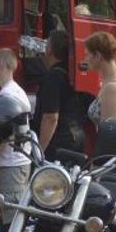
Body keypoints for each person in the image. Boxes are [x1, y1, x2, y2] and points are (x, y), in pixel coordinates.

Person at [0, 48, 32, 226]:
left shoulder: (8, 95)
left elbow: (6, 133)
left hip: (12, 163)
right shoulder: (15, 91)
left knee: (12, 217)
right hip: (17, 162)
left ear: (1, 65)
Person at [36, 29, 88, 161]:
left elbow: (50, 117)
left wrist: (40, 151)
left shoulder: (53, 77)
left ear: (50, 50)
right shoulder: (73, 74)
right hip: (77, 136)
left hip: (59, 142)